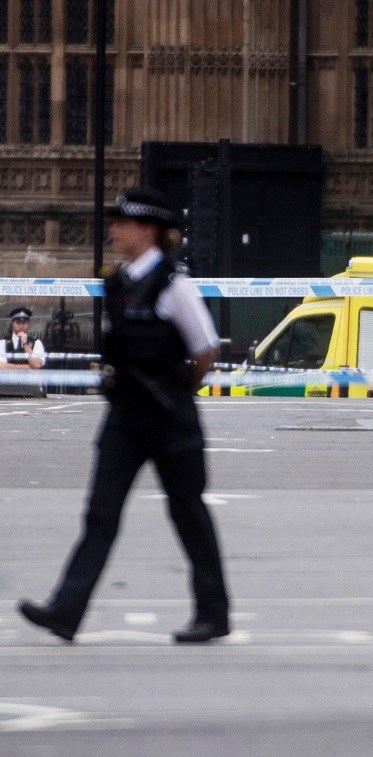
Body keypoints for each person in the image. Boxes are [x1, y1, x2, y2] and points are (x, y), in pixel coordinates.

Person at [18, 187, 231, 644]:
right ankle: (65, 611)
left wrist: (175, 393)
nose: (113, 230)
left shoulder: (174, 286)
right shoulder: (117, 283)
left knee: (188, 512)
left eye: (123, 223)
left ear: (149, 231)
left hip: (169, 417)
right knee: (100, 513)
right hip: (125, 417)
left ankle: (214, 612)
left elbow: (205, 349)